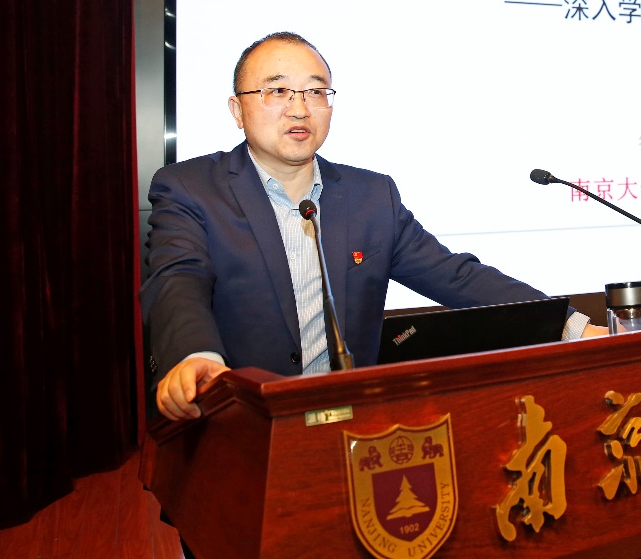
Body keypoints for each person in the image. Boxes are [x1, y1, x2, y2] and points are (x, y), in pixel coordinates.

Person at [141, 31, 605, 421]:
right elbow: (177, 281)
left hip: (349, 426)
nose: (300, 109)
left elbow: (457, 276)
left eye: (316, 92)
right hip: (238, 423)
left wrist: (566, 324)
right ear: (237, 109)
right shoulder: (190, 188)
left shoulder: (370, 196)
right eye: (277, 91)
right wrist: (195, 356)